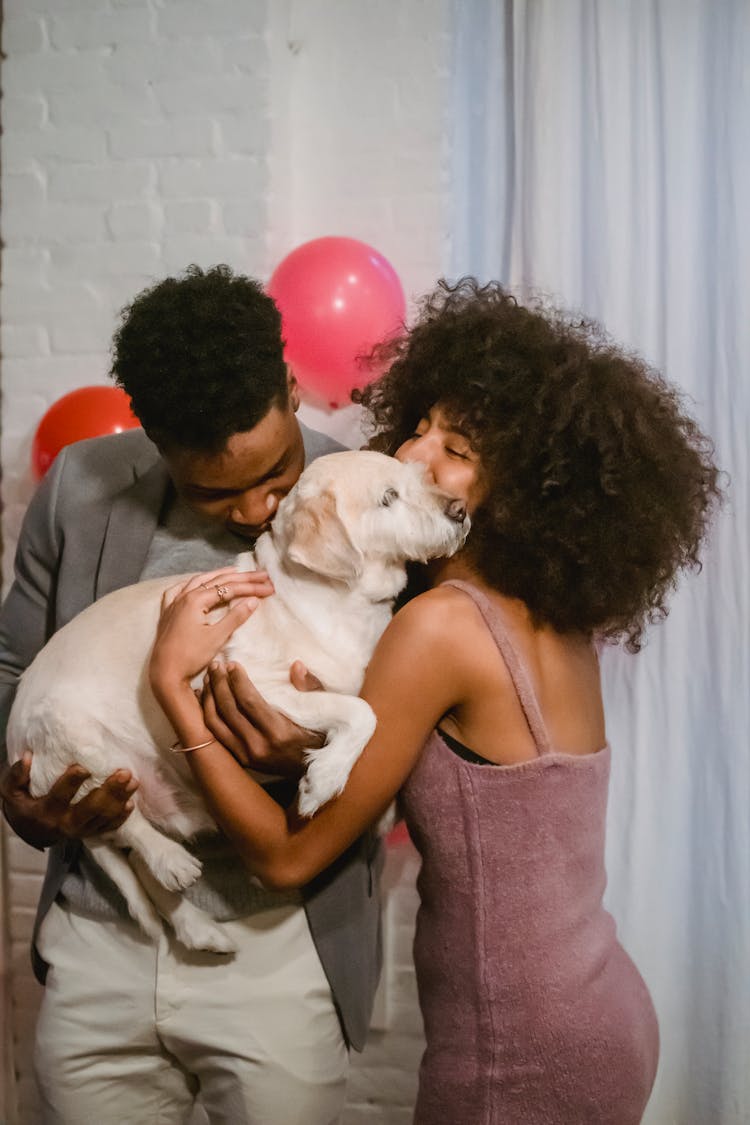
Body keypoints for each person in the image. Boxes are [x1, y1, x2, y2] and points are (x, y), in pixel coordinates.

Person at [148, 278, 722, 1124]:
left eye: (457, 447)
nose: (415, 455)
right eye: (420, 426)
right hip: (605, 1011)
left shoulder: (440, 630)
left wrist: (171, 689)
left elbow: (287, 857)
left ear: (527, 483)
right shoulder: (557, 622)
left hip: (517, 1048)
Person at [0, 265, 384, 1125]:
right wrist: (26, 800)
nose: (255, 510)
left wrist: (316, 754)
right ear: (152, 439)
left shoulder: (361, 491)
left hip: (282, 944)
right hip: (101, 940)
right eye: (216, 489)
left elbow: (408, 710)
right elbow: (11, 676)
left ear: (290, 389)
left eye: (277, 473)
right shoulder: (80, 489)